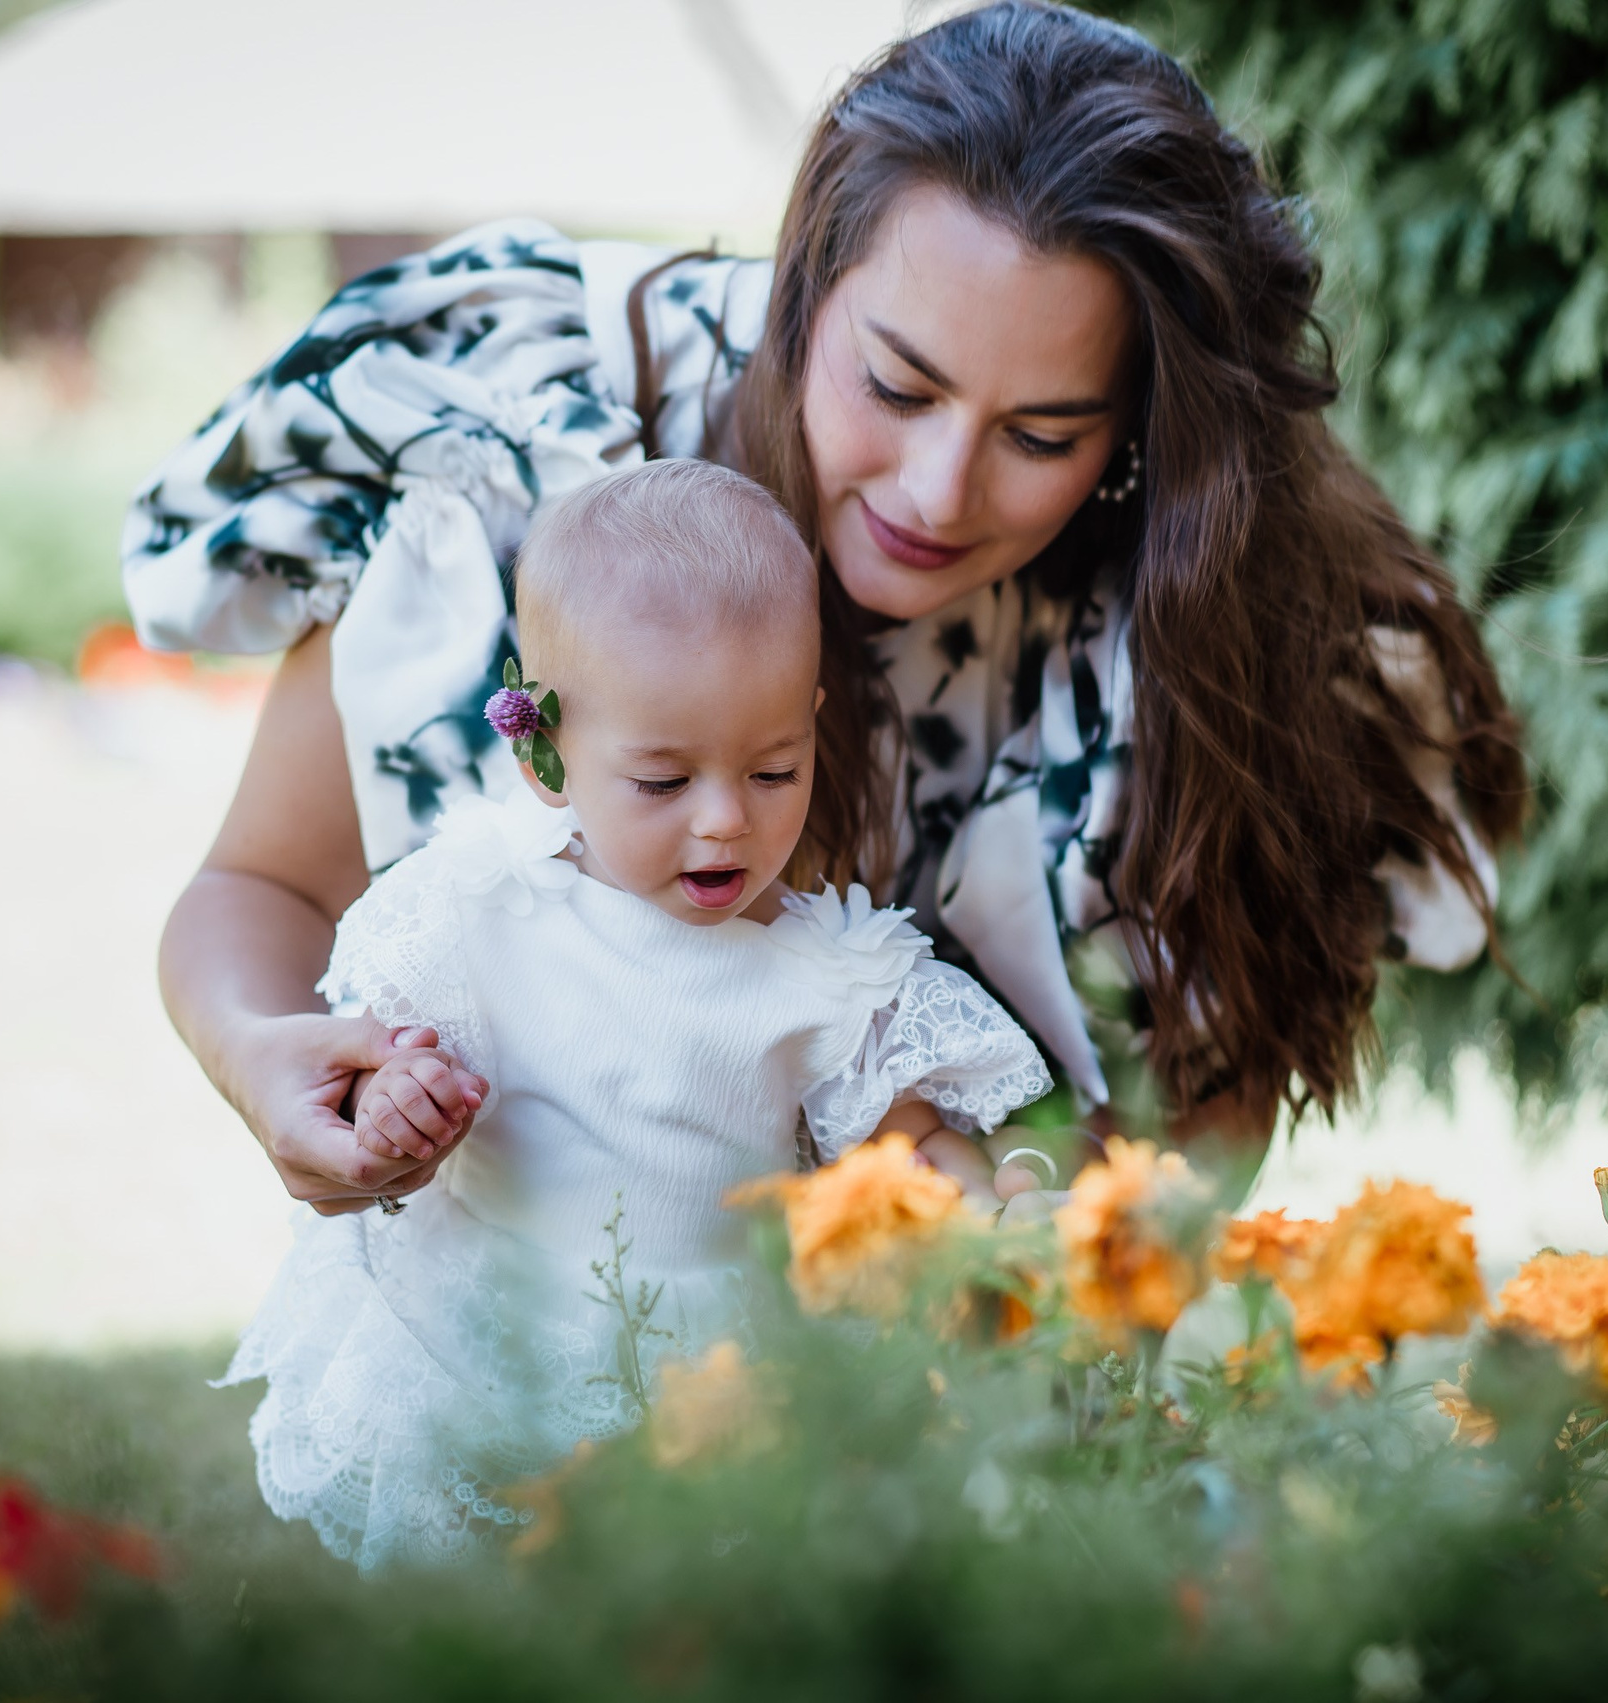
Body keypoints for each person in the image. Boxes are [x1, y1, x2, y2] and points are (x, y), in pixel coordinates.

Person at [126, 1, 1526, 1220]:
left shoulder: (1216, 618)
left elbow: (1184, 1171)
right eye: (898, 385)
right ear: (806, 285)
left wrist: (1028, 1260)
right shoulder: (525, 438)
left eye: (1042, 434)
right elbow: (265, 884)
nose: (937, 487)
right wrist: (263, 1055)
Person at [221, 460, 1051, 1568]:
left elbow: (908, 1143)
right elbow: (376, 1066)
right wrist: (395, 1104)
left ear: (811, 720)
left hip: (715, 1370)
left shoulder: (822, 974)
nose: (723, 824)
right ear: (543, 751)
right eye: (662, 781)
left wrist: (986, 1204)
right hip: (496, 1318)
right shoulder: (482, 907)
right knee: (492, 1596)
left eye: (772, 769)